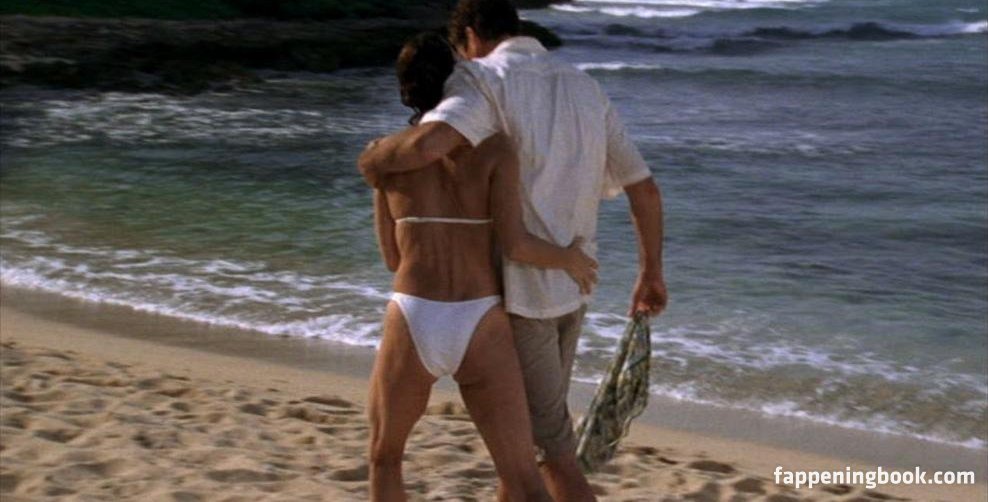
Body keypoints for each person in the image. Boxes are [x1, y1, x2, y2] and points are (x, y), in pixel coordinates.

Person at [358, 1, 668, 500]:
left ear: (471, 36)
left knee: (546, 456)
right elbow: (644, 190)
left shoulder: (477, 83)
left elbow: (428, 152)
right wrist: (650, 272)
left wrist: (372, 159)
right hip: (557, 295)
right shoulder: (583, 90)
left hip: (500, 302)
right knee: (524, 460)